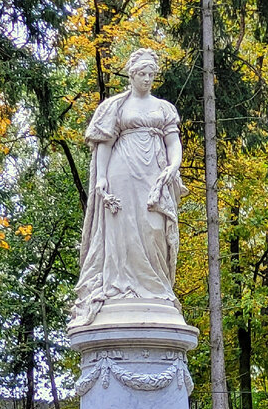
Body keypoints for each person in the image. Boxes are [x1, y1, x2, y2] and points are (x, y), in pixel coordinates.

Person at [72, 48, 187, 326]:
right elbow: (105, 145)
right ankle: (120, 286)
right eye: (142, 74)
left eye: (151, 74)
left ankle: (157, 288)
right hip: (122, 172)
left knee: (154, 229)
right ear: (132, 75)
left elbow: (173, 143)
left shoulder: (163, 108)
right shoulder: (117, 107)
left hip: (154, 174)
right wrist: (101, 178)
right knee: (122, 230)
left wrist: (174, 165)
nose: (147, 79)